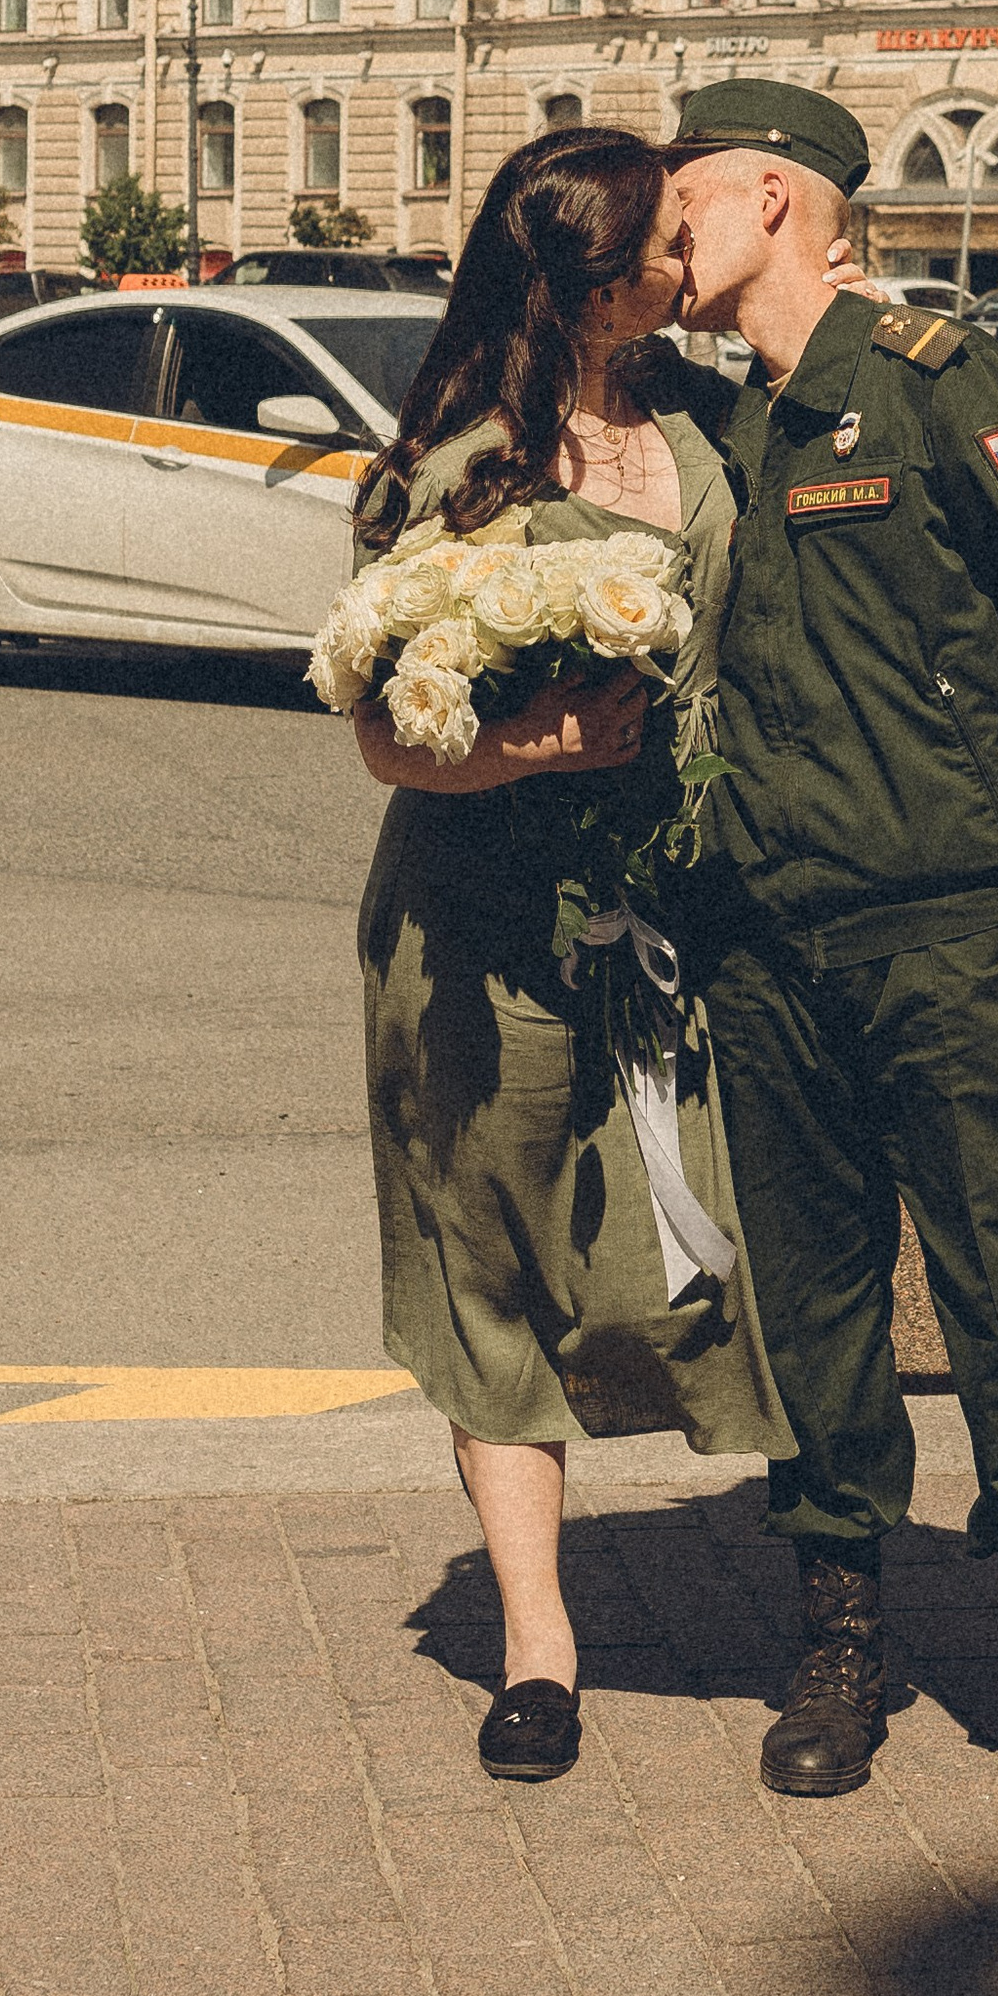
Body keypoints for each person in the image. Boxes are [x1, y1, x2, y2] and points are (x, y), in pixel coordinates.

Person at [665, 79, 998, 1844]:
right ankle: (840, 1645)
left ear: (776, 201)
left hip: (954, 926)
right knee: (814, 1313)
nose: (668, 239)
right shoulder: (701, 420)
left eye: (686, 204)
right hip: (763, 936)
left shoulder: (937, 381)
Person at [349, 126, 791, 1788]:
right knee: (491, 1272)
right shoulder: (457, 466)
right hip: (485, 927)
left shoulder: (702, 421)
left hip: (682, 905)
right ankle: (539, 1644)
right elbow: (383, 735)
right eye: (666, 242)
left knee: (704, 1251)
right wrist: (530, 750)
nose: (691, 260)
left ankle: (826, 1576)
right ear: (593, 284)